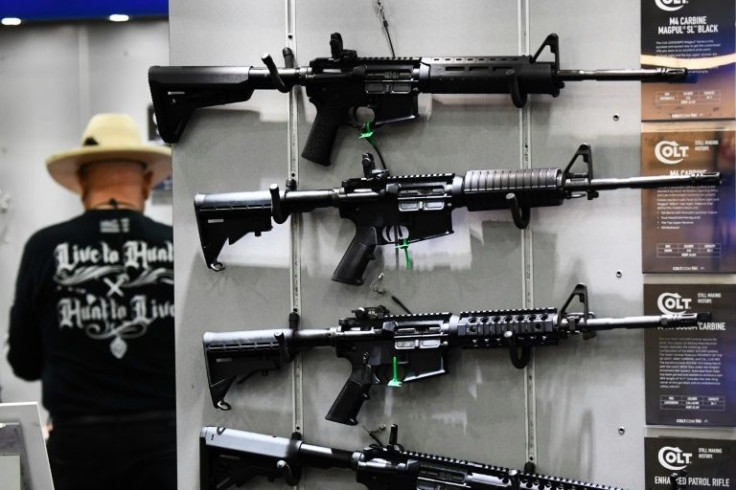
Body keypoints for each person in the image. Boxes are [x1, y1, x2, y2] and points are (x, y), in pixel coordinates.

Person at [6, 114, 176, 490]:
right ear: (147, 182)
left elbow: (24, 361)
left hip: (78, 445)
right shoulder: (173, 243)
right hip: (166, 442)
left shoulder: (44, 247)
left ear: (82, 181)